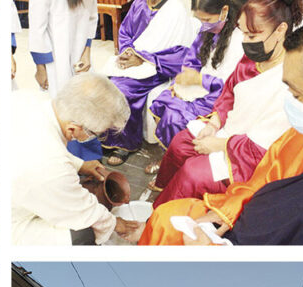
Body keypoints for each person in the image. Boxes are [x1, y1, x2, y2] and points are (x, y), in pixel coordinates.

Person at [142, 11, 303, 245]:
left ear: (280, 31)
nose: (289, 102)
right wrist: (226, 212)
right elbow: (261, 181)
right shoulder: (302, 134)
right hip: (240, 205)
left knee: (190, 179)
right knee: (165, 215)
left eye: (296, 95)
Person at [150, 0, 302, 207]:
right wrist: (214, 123)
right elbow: (229, 92)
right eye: (243, 32)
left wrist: (220, 145)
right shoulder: (253, 58)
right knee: (180, 144)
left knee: (193, 174)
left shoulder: (290, 78)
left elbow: (266, 142)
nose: (245, 41)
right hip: (227, 130)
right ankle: (165, 198)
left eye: (252, 35)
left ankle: (172, 217)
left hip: (252, 154)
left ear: (280, 30)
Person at [10, 73, 138, 245]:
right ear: (73, 129)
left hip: (18, 186)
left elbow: (36, 144)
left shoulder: (31, 98)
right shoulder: (51, 167)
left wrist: (80, 164)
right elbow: (82, 213)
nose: (95, 138)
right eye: (95, 135)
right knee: (82, 235)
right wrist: (116, 223)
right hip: (11, 223)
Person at [100, 0, 201, 166]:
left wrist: (144, 59)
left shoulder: (174, 8)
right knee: (105, 82)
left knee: (123, 89)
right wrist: (128, 53)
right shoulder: (139, 4)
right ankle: (106, 134)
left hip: (159, 66)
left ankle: (124, 143)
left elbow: (180, 51)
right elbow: (125, 32)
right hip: (133, 60)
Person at [146, 0, 245, 157]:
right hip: (197, 89)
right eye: (200, 19)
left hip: (218, 96)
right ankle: (168, 155)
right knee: (162, 100)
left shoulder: (239, 41)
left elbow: (229, 84)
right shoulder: (206, 32)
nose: (203, 24)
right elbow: (191, 60)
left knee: (174, 117)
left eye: (206, 20)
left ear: (224, 11)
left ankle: (177, 159)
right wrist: (186, 75)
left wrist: (199, 80)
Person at [27, 0, 96, 97]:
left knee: (83, 99)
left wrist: (87, 52)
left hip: (81, 54)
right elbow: (37, 28)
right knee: (59, 99)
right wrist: (40, 67)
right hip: (55, 58)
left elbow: (92, 17)